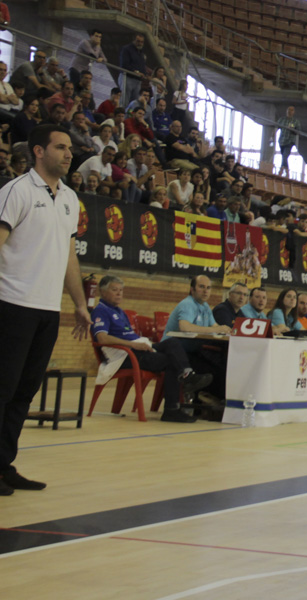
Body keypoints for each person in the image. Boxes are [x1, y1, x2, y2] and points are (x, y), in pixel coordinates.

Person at [0, 124, 93, 495]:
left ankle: (4, 463)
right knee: (2, 389)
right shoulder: (16, 191)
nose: (69, 154)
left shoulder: (70, 198)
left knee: (24, 392)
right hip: (11, 305)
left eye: (70, 148)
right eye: (60, 147)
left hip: (46, 309)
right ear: (39, 151)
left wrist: (80, 304)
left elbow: (68, 255)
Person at [91, 275, 212, 423]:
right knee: (171, 361)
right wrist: (133, 345)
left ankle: (187, 375)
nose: (119, 294)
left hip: (137, 348)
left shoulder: (119, 311)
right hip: (124, 355)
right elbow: (102, 338)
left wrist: (138, 344)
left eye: (121, 290)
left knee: (173, 342)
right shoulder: (100, 311)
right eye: (114, 290)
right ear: (102, 292)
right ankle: (171, 410)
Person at [162, 275, 232, 401]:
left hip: (193, 351)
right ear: (192, 289)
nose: (206, 291)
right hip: (175, 353)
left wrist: (227, 330)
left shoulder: (205, 307)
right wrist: (215, 330)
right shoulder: (187, 304)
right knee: (209, 372)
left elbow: (216, 326)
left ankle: (216, 405)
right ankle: (196, 404)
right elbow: (185, 326)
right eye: (201, 287)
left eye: (208, 288)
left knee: (219, 369)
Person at [118, 34, 149, 104]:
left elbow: (142, 65)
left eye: (142, 42)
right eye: (138, 41)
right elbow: (124, 64)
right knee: (124, 101)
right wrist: (136, 72)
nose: (140, 43)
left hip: (137, 81)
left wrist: (145, 74)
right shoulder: (126, 49)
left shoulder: (141, 52)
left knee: (134, 103)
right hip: (127, 77)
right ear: (134, 40)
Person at [276, 105, 299, 177]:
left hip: (290, 141)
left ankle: (284, 172)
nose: (289, 112)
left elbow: (298, 131)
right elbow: (276, 128)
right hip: (282, 141)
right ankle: (283, 170)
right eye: (289, 110)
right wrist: (272, 136)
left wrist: (292, 130)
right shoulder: (282, 120)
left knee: (285, 156)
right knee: (284, 156)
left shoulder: (295, 121)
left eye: (291, 110)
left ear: (293, 112)